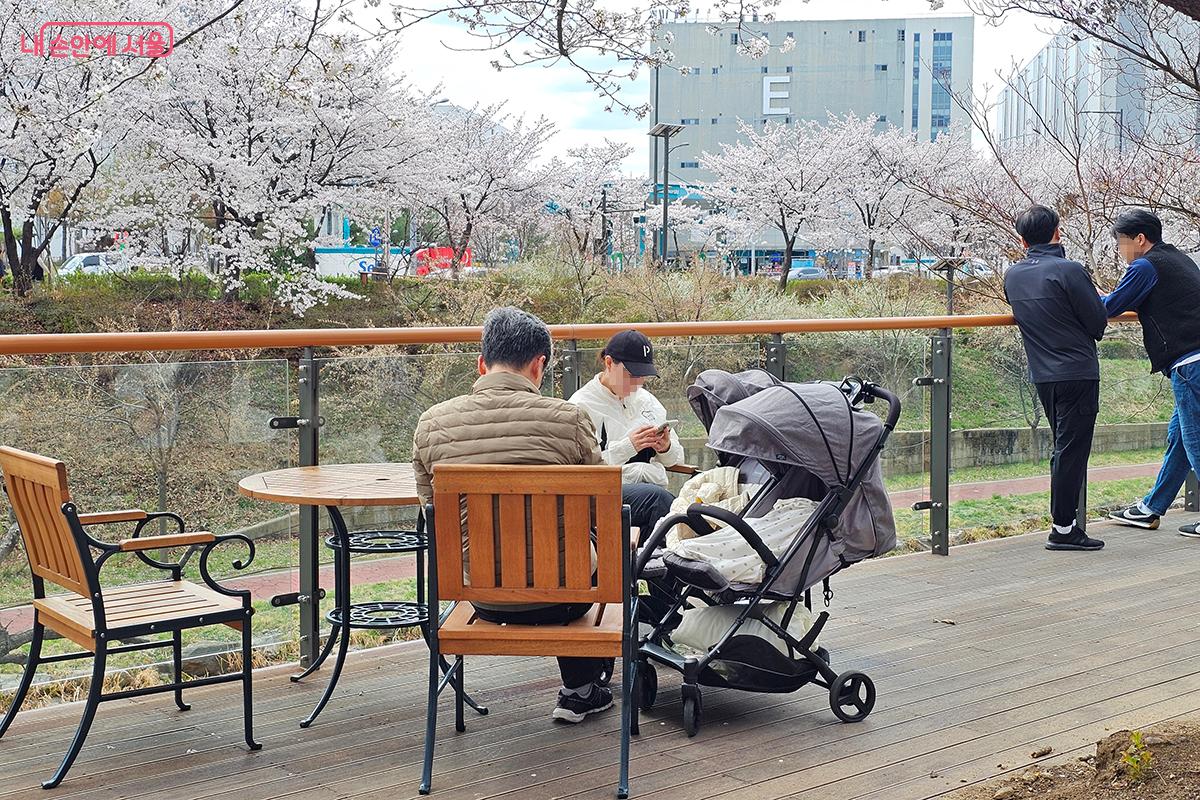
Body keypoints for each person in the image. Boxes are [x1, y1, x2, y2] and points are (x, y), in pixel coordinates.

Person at [412, 306, 612, 724]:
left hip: (481, 596)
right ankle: (582, 688)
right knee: (587, 549)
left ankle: (581, 688)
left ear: (481, 363)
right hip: (565, 600)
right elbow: (600, 513)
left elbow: (432, 512)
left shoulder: (432, 424)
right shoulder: (571, 420)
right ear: (540, 366)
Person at [1003, 205, 1108, 551]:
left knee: (1064, 447)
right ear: (1057, 233)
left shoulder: (1012, 275)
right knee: (1071, 450)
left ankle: (1063, 524)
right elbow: (1097, 323)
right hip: (1078, 371)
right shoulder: (1070, 270)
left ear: (1021, 240)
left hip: (1043, 374)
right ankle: (1063, 528)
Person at [1102, 210, 1200, 538]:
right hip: (1193, 363)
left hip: (1191, 364)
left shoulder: (1145, 265)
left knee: (1195, 440)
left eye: (1121, 243)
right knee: (1181, 439)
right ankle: (1151, 509)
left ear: (1139, 240)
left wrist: (1071, 301)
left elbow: (1110, 306)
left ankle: (1150, 509)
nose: (1119, 250)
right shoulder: (1178, 258)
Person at [568, 330, 681, 544]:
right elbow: (580, 470)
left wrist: (665, 447)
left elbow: (676, 460)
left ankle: (650, 570)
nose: (637, 383)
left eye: (643, 376)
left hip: (653, 485)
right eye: (631, 375)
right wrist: (628, 446)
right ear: (609, 363)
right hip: (606, 491)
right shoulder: (581, 406)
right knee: (659, 502)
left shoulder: (648, 401)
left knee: (680, 506)